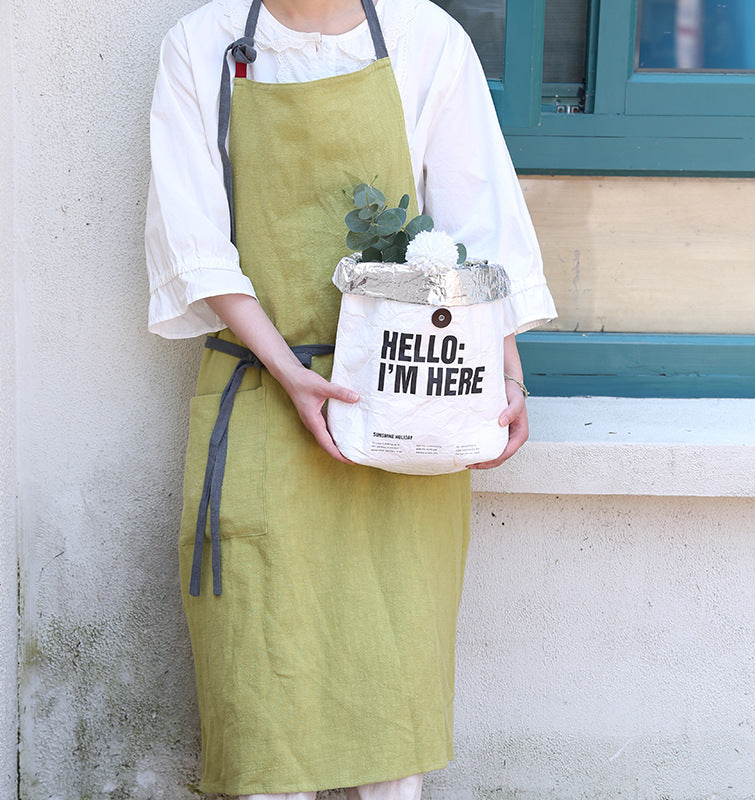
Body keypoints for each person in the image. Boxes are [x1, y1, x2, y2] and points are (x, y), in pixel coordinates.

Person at [145, 0, 556, 797]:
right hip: (265, 400)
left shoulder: (424, 37)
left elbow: (482, 228)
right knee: (264, 703)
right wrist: (289, 369)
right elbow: (193, 242)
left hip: (411, 407)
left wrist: (505, 372)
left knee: (390, 705)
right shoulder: (199, 47)